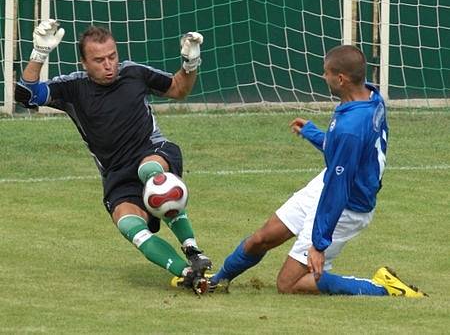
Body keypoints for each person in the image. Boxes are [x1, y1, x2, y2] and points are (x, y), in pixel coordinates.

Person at [205, 45, 427, 297]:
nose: (323, 77)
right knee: (262, 237)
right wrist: (313, 133)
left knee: (288, 285)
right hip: (331, 183)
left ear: (341, 79)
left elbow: (338, 188)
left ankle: (382, 287)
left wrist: (319, 244)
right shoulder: (371, 96)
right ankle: (216, 280)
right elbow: (344, 154)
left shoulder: (351, 127)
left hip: (346, 205)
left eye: (326, 73)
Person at [15, 19, 212, 294]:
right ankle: (189, 273)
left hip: (153, 152)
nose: (109, 65)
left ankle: (192, 248)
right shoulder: (72, 88)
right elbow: (25, 96)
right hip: (116, 174)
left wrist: (190, 62)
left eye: (112, 57)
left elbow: (179, 88)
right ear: (84, 62)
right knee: (129, 225)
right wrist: (39, 55)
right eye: (99, 60)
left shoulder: (134, 73)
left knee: (150, 174)